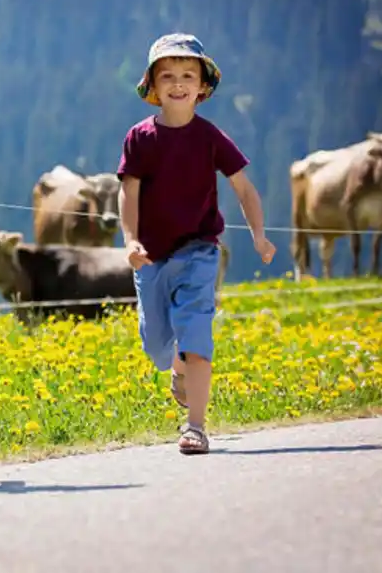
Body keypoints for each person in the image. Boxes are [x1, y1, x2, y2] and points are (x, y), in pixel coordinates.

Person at [116, 33, 276, 455]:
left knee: (197, 332)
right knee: (156, 345)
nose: (178, 82)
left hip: (200, 251)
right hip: (151, 256)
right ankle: (178, 366)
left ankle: (196, 427)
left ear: (203, 86)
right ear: (152, 85)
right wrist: (130, 239)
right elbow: (127, 192)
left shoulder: (211, 138)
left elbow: (245, 189)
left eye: (188, 74)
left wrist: (258, 235)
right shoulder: (139, 139)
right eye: (166, 75)